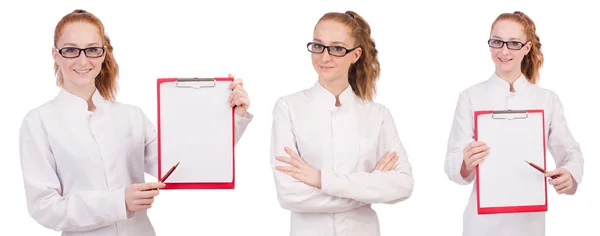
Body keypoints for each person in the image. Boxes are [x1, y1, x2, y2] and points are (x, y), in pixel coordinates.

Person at [18, 9, 253, 236]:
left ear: (103, 54)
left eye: (92, 50)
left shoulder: (131, 117)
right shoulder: (39, 122)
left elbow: (184, 164)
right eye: (71, 50)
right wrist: (118, 202)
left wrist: (231, 117)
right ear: (55, 54)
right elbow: (44, 207)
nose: (82, 60)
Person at [269, 10, 414, 236]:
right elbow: (290, 194)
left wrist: (320, 180)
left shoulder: (377, 115)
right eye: (318, 46)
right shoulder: (288, 108)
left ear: (355, 55)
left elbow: (403, 185)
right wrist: (368, 188)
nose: (324, 57)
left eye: (336, 48)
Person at [443, 11, 584, 236]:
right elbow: (452, 162)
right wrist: (466, 163)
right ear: (489, 44)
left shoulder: (546, 100)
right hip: (482, 225)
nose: (504, 50)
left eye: (514, 43)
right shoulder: (470, 97)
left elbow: (570, 152)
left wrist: (569, 174)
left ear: (527, 48)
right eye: (497, 42)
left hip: (529, 224)